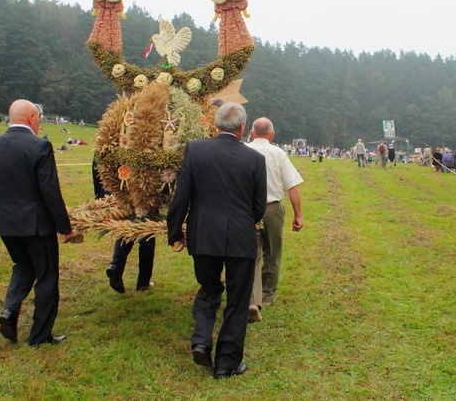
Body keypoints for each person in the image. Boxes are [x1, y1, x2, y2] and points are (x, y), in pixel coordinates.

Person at [166, 102, 266, 380]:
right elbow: (259, 206)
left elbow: (181, 197)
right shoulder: (255, 160)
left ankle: (201, 340)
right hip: (241, 237)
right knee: (237, 300)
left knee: (208, 289)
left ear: (216, 124)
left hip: (204, 234)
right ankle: (226, 364)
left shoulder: (196, 150)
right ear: (242, 127)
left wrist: (175, 232)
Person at [0, 99, 75, 346]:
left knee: (22, 265)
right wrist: (65, 227)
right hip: (37, 225)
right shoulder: (40, 146)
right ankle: (39, 336)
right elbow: (50, 191)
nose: (40, 123)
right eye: (39, 118)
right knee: (46, 276)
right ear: (31, 117)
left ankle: (10, 311)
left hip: (5, 223)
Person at [245, 118, 304, 323]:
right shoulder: (278, 153)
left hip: (246, 210)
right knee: (273, 252)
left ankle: (252, 299)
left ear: (251, 133)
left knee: (251, 254)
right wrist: (298, 215)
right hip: (272, 209)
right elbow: (292, 187)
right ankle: (268, 296)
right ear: (272, 134)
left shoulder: (243, 150)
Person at [93, 159, 156, 294]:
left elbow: (98, 161)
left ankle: (116, 265)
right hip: (141, 186)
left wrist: (100, 194)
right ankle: (143, 282)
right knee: (147, 232)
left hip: (120, 189)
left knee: (126, 229)